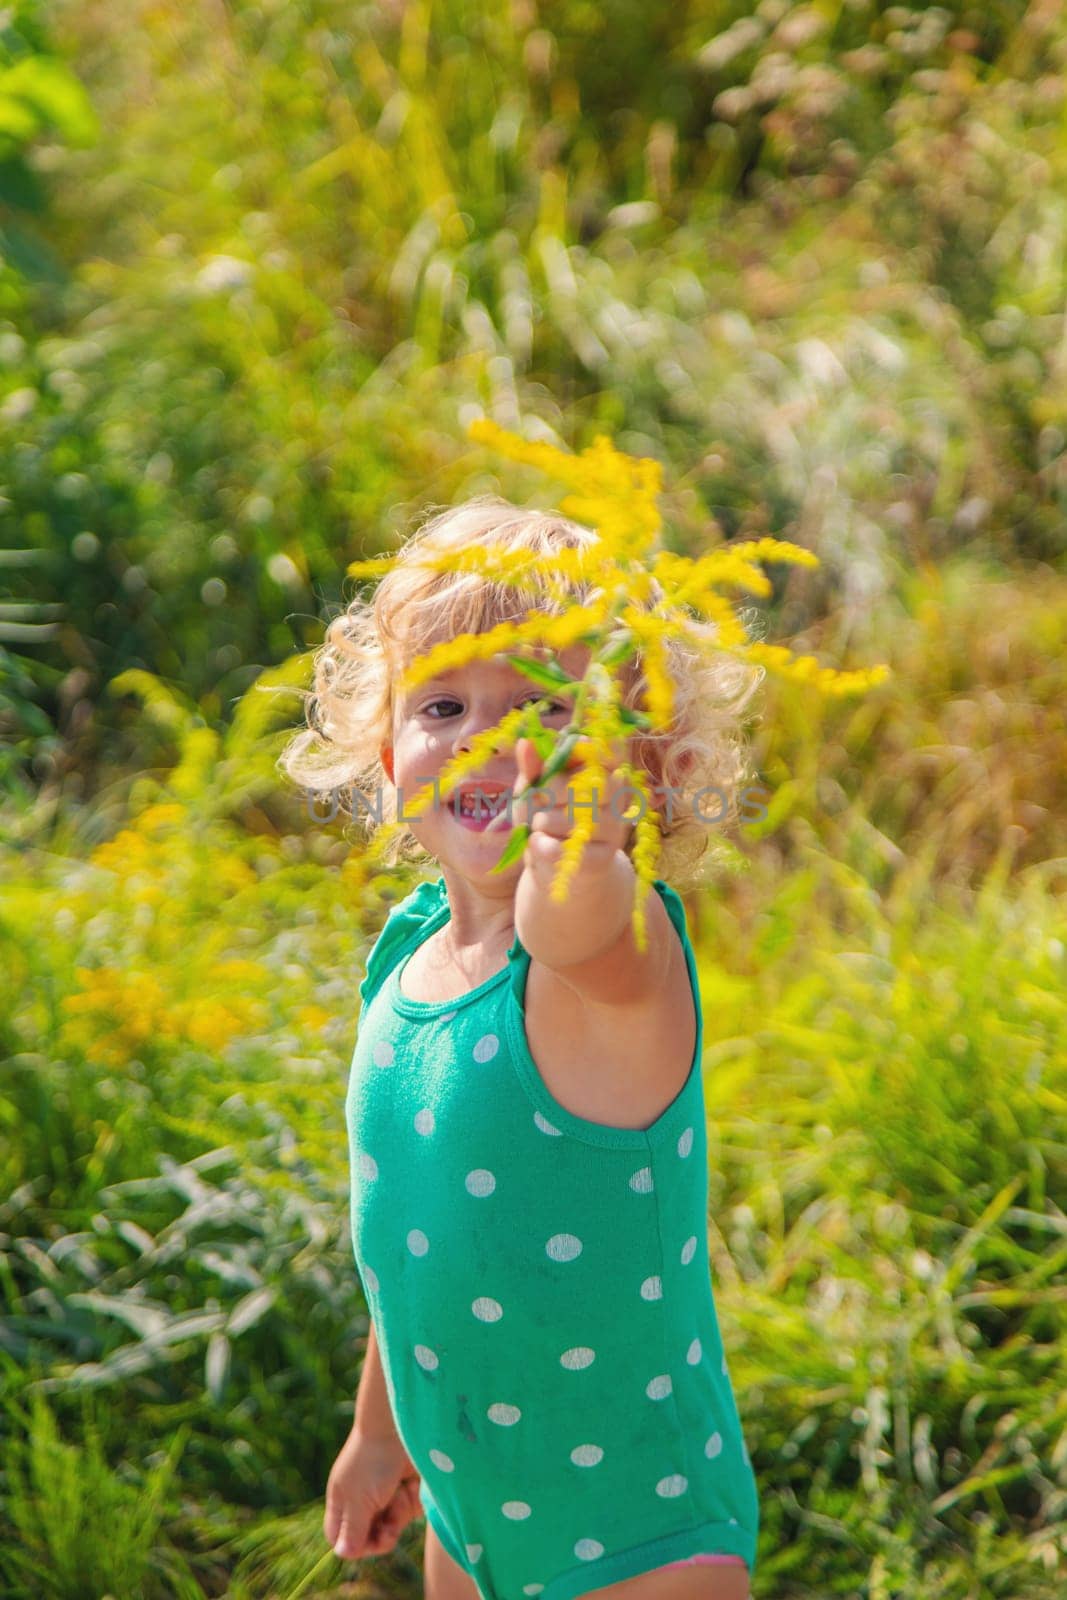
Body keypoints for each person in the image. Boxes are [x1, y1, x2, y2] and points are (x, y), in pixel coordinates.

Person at [281, 497, 764, 1600]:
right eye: (444, 702)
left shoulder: (612, 960)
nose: (486, 738)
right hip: (472, 1513)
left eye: (542, 707)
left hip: (642, 1535)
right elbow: (413, 1248)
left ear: (633, 762)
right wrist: (379, 1433)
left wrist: (581, 842)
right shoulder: (405, 959)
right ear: (385, 747)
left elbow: (571, 918)